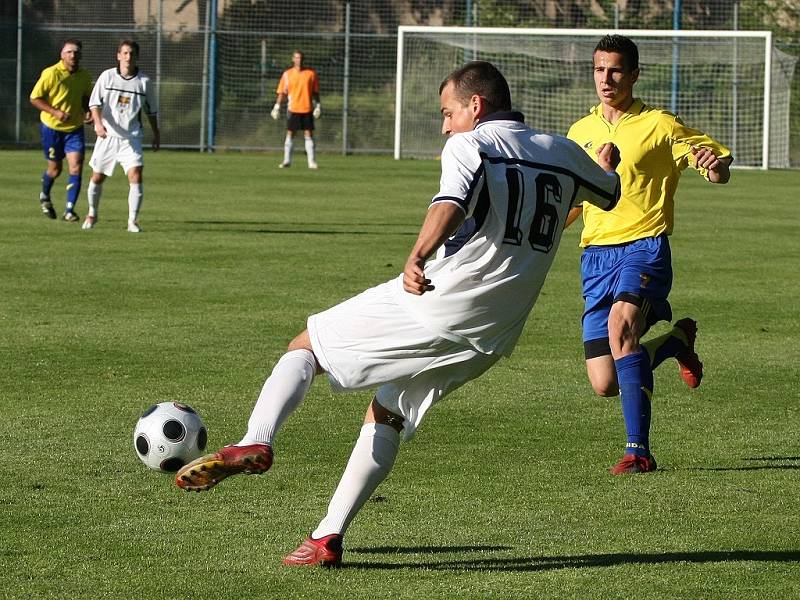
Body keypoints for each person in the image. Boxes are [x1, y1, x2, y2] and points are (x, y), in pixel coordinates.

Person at [176, 61, 621, 567]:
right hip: (497, 332)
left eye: (448, 112)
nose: (445, 124)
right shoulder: (563, 152)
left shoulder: (472, 143)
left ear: (475, 106)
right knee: (387, 411)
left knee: (307, 346)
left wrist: (417, 255)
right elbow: (609, 192)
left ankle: (255, 441)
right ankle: (327, 538)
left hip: (445, 300)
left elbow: (449, 202)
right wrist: (604, 166)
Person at [565, 34, 732, 475]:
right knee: (606, 382)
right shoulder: (579, 133)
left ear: (634, 75)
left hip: (644, 245)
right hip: (595, 255)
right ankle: (675, 341)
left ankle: (638, 451)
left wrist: (713, 166)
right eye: (600, 69)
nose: (607, 78)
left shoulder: (659, 124)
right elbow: (575, 203)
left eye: (616, 70)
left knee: (622, 329)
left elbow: (711, 165)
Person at [82, 40, 160, 233]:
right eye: (124, 53)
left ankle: (132, 221)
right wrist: (98, 124)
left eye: (132, 53)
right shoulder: (107, 77)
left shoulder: (144, 82)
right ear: (118, 56)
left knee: (136, 174)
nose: (128, 57)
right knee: (97, 177)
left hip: (130, 138)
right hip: (107, 136)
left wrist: (156, 133)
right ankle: (92, 213)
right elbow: (94, 104)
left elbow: (151, 111)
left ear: (137, 57)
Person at [29, 39, 93, 221]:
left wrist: (88, 112)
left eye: (76, 52)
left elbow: (85, 98)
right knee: (55, 170)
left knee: (77, 166)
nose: (73, 55)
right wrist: (54, 112)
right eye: (69, 52)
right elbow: (35, 98)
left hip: (74, 128)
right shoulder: (51, 73)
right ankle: (44, 195)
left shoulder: (84, 76)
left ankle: (69, 210)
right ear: (62, 55)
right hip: (52, 128)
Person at [270, 50, 320, 169]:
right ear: (293, 59)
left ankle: (311, 162)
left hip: (307, 108)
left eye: (301, 58)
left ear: (304, 59)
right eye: (297, 58)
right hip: (293, 109)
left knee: (308, 134)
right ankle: (287, 161)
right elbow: (282, 92)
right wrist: (276, 106)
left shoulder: (311, 74)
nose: (299, 60)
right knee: (290, 134)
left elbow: (315, 92)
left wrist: (318, 105)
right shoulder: (287, 74)